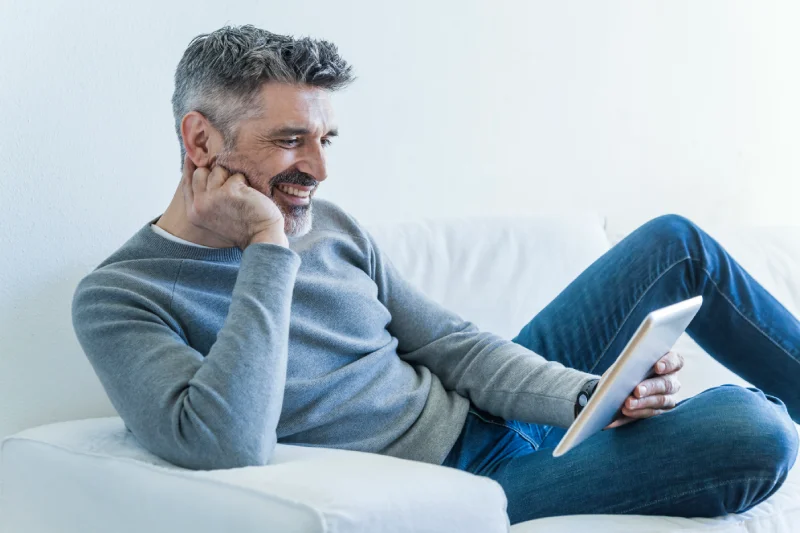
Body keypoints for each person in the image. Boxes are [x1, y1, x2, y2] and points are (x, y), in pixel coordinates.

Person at [71, 25, 799, 524]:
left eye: (324, 139)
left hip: (492, 415)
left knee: (674, 244)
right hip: (460, 485)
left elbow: (454, 347)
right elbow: (225, 443)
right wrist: (266, 248)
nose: (320, 171)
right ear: (200, 140)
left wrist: (587, 395)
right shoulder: (122, 296)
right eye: (291, 141)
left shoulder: (335, 226)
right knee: (755, 430)